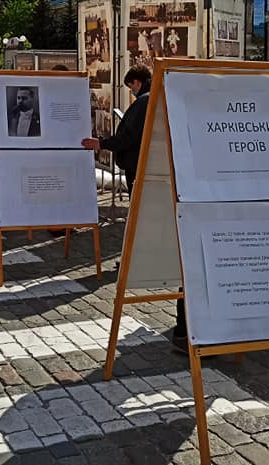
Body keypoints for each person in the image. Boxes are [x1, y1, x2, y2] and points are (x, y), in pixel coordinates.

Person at [81, 64, 188, 354]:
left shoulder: (144, 103)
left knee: (142, 215)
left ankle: (136, 261)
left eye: (131, 86)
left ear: (138, 82)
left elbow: (128, 138)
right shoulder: (161, 99)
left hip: (142, 169)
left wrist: (101, 143)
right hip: (158, 170)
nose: (131, 91)